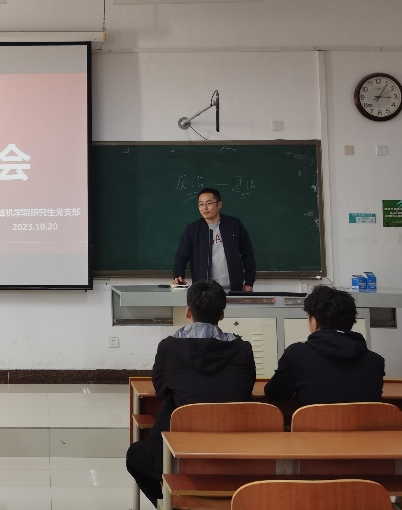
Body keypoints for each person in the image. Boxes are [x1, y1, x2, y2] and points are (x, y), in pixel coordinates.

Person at [126, 280, 256, 507]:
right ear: (222, 314)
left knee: (136, 455)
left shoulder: (169, 347)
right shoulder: (243, 349)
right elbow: (245, 390)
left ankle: (171, 504)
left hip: (181, 456)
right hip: (236, 456)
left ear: (188, 312)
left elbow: (161, 389)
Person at [265, 284, 385, 405]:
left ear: (314, 320)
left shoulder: (296, 355)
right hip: (360, 418)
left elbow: (273, 394)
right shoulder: (376, 362)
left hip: (313, 418)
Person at [173, 187, 256, 292]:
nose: (204, 208)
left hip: (233, 287)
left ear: (219, 204)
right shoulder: (193, 229)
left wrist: (249, 282)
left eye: (209, 203)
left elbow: (247, 254)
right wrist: (178, 276)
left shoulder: (234, 225)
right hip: (204, 290)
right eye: (201, 204)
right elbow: (181, 256)